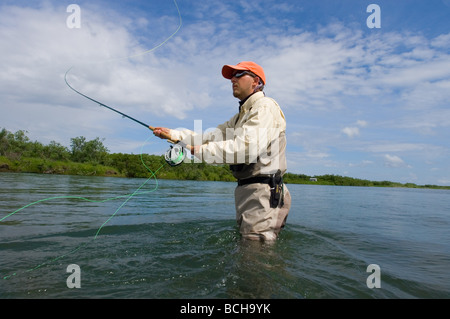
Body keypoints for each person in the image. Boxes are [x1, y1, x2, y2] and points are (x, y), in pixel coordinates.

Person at [153, 61, 291, 241]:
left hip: (264, 192)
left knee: (256, 257)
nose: (233, 79)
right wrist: (172, 134)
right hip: (249, 191)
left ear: (256, 81)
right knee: (248, 251)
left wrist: (200, 151)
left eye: (240, 74)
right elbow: (210, 137)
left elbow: (247, 149)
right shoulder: (241, 116)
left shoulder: (265, 107)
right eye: (232, 75)